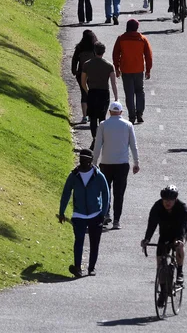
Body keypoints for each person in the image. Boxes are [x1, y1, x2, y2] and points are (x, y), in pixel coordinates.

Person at [58, 149, 110, 277]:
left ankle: (91, 268)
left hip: (95, 214)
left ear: (91, 161)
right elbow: (66, 193)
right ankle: (77, 268)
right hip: (79, 215)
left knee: (94, 242)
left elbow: (106, 193)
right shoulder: (73, 175)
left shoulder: (98, 175)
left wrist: (103, 213)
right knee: (79, 240)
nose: (83, 163)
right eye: (82, 160)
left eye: (86, 160)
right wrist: (61, 212)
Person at [92, 101, 139, 230]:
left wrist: (94, 162)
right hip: (122, 164)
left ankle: (106, 213)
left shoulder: (103, 125)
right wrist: (136, 162)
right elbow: (133, 145)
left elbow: (97, 145)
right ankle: (116, 220)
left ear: (109, 112)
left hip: (106, 163)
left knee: (105, 190)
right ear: (121, 112)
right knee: (119, 193)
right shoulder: (128, 125)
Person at [140, 185, 187, 307]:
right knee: (160, 262)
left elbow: (183, 226)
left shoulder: (182, 208)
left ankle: (180, 273)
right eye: (165, 200)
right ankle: (162, 292)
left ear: (175, 199)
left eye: (170, 200)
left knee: (179, 247)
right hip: (165, 234)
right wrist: (146, 239)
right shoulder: (157, 207)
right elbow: (151, 225)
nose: (167, 203)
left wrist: (180, 240)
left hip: (178, 233)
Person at [112, 19, 153, 124]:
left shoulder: (121, 39)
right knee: (139, 91)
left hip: (126, 69)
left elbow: (115, 54)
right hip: (139, 69)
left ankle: (131, 116)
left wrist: (116, 68)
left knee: (129, 93)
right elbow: (148, 56)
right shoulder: (142, 39)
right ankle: (139, 113)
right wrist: (148, 70)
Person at [81, 42, 119, 145]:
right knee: (102, 117)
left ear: (94, 51)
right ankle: (102, 137)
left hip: (92, 92)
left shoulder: (87, 64)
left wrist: (87, 90)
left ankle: (94, 136)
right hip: (104, 93)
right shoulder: (109, 65)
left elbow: (83, 81)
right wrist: (116, 97)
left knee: (92, 117)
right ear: (104, 52)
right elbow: (113, 82)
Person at [71, 30, 98, 123]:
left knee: (84, 94)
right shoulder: (95, 47)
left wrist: (74, 70)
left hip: (81, 73)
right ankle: (92, 114)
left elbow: (74, 60)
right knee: (93, 93)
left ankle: (84, 116)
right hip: (93, 73)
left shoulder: (79, 47)